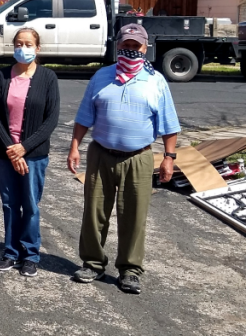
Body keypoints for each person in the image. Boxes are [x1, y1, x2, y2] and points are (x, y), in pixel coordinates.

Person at [68, 23, 180, 295]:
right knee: (94, 214)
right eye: (126, 44)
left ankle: (130, 270)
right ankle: (93, 263)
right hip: (101, 154)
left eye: (136, 45)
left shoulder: (156, 81)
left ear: (145, 48)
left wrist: (169, 157)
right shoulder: (101, 76)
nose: (130, 49)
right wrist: (74, 147)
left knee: (133, 215)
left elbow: (169, 124)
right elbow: (84, 117)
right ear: (118, 46)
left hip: (138, 158)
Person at [0, 28, 60, 277]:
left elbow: (51, 119)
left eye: (28, 44)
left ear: (37, 48)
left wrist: (24, 148)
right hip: (5, 152)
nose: (23, 48)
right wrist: (12, 149)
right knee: (10, 204)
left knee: (30, 204)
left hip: (34, 153)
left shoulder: (48, 78)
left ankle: (30, 254)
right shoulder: (1, 76)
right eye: (19, 43)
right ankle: (10, 252)